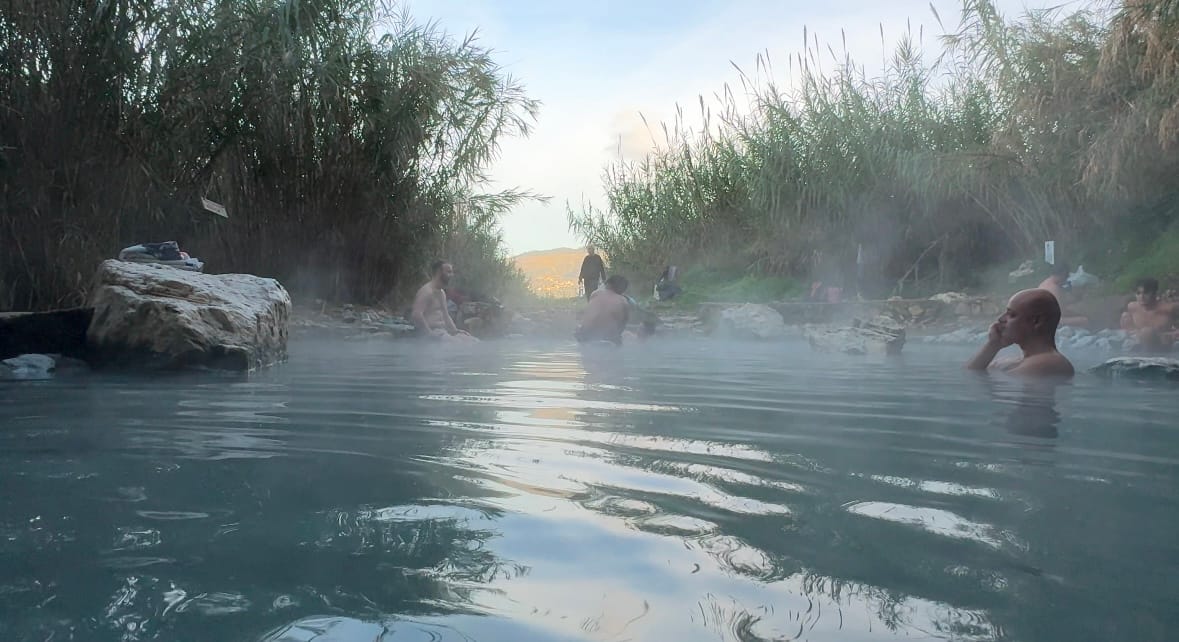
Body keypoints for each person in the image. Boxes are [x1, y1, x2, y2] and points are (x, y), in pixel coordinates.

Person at [966, 288, 1074, 378]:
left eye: (1012, 315)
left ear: (1036, 321)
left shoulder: (1048, 364)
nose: (1001, 319)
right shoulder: (1023, 361)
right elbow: (970, 376)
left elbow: (977, 389)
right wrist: (993, 345)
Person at [411, 260, 475, 341]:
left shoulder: (441, 293)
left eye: (452, 272)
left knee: (474, 341)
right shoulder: (427, 291)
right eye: (449, 272)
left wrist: (455, 331)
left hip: (442, 332)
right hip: (432, 333)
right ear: (438, 272)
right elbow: (416, 315)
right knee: (463, 345)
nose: (452, 275)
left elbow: (445, 315)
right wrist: (429, 333)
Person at [1120, 277, 1178, 352]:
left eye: (1146, 293)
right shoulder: (1132, 307)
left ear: (1154, 293)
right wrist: (1134, 332)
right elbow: (1128, 330)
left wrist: (1172, 335)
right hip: (1140, 348)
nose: (1142, 297)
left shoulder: (1168, 309)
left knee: (1147, 332)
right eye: (1138, 293)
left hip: (1163, 348)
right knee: (1125, 317)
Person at [575, 275, 630, 345]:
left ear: (608, 284)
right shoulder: (623, 301)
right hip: (607, 338)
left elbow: (589, 312)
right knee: (619, 340)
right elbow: (623, 323)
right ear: (622, 289)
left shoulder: (595, 294)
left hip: (585, 336)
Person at [1037, 262, 1088, 327]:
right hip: (1049, 320)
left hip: (1045, 316)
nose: (1067, 278)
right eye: (1066, 275)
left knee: (1078, 315)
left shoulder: (1047, 282)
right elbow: (1061, 313)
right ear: (1062, 274)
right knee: (1084, 320)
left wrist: (1077, 298)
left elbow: (1058, 304)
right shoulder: (1054, 289)